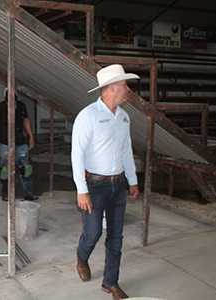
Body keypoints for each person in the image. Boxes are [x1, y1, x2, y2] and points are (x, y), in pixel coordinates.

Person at [71, 64, 140, 300]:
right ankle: (82, 258)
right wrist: (82, 190)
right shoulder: (88, 115)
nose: (128, 89)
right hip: (95, 187)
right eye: (125, 85)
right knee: (92, 235)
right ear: (113, 87)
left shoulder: (124, 117)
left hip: (118, 186)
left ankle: (110, 283)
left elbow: (126, 151)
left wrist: (132, 180)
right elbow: (77, 155)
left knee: (116, 237)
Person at [0, 88, 38, 201]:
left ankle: (28, 193)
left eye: (14, 102)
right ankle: (6, 193)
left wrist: (31, 136)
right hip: (3, 142)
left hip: (19, 142)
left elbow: (26, 120)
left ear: (16, 100)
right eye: (9, 102)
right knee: (5, 170)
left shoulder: (21, 106)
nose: (12, 104)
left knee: (25, 168)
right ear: (5, 99)